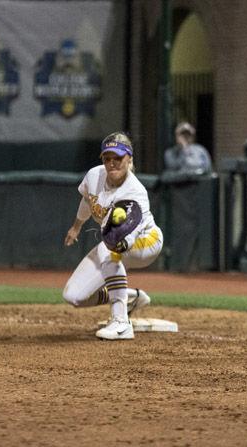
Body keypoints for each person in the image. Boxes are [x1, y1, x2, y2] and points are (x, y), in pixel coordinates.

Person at [62, 132, 163, 340]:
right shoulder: (94, 176)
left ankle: (121, 322)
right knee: (74, 296)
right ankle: (131, 297)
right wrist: (76, 227)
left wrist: (119, 242)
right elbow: (87, 202)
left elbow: (125, 239)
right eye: (107, 158)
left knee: (109, 245)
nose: (112, 163)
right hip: (113, 243)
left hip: (147, 242)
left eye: (118, 158)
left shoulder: (135, 192)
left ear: (130, 159)